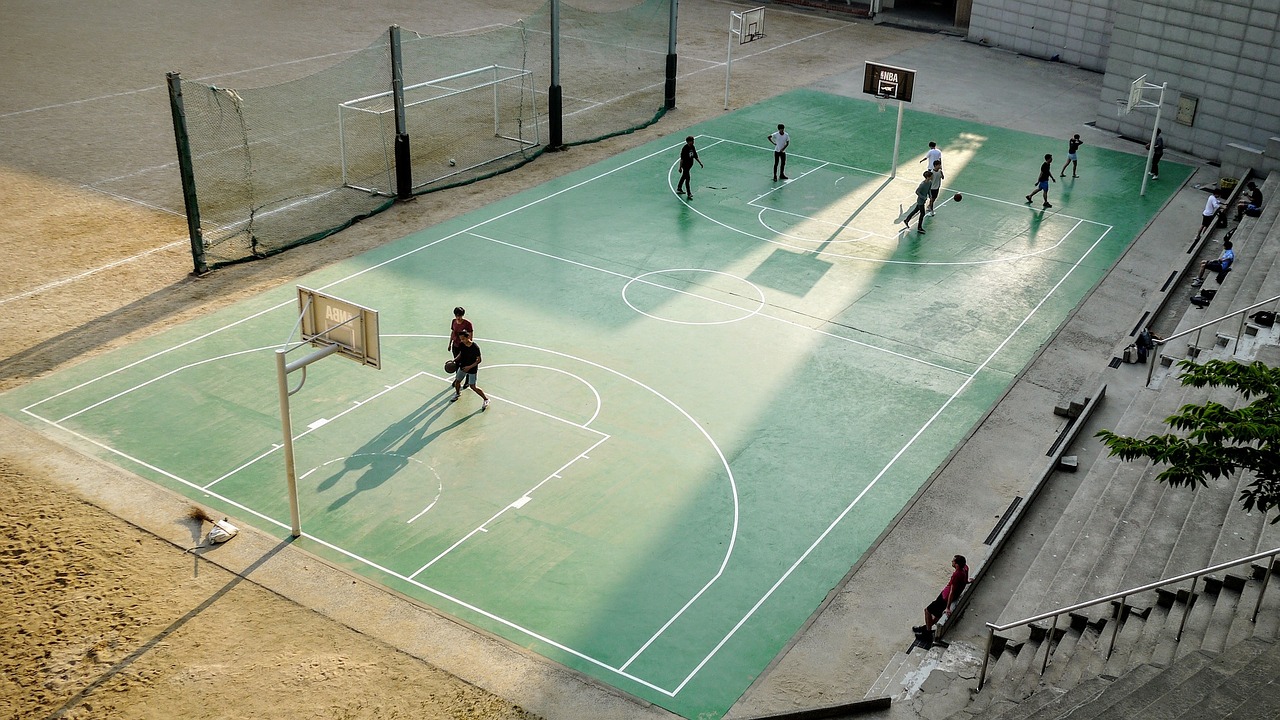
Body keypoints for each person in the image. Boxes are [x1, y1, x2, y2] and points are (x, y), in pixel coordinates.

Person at [914, 555, 970, 640]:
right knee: (937, 615)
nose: (952, 562)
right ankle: (926, 628)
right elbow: (965, 580)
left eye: (953, 561)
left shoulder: (956, 575)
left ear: (957, 564)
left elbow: (952, 592)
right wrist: (968, 581)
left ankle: (927, 633)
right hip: (945, 596)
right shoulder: (965, 568)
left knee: (927, 611)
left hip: (945, 598)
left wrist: (948, 607)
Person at [449, 330, 490, 411]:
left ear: (468, 337)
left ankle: (486, 399)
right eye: (461, 339)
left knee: (473, 386)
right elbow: (461, 353)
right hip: (463, 366)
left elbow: (479, 360)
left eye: (463, 339)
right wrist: (455, 360)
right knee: (457, 382)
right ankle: (457, 394)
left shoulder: (475, 347)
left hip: (472, 369)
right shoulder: (462, 344)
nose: (462, 340)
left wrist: (469, 367)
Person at [676, 135, 703, 200]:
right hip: (685, 166)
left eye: (693, 141)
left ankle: (679, 188)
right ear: (688, 142)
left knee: (684, 176)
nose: (693, 142)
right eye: (691, 141)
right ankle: (689, 193)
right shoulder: (684, 149)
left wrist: (700, 162)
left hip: (690, 165)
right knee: (687, 178)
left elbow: (695, 156)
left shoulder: (692, 147)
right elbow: (682, 159)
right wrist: (680, 167)